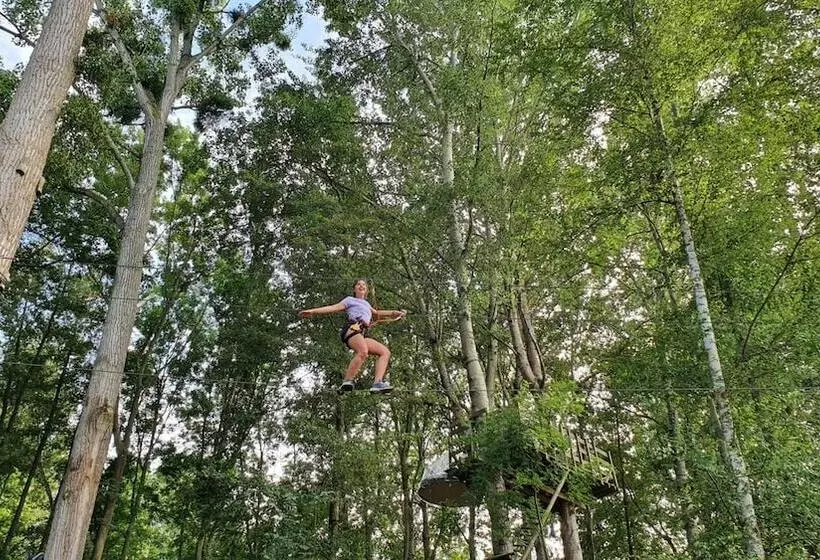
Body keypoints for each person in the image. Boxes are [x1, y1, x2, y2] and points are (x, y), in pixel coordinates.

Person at [299, 279, 406, 394]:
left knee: (385, 352)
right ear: (354, 289)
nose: (361, 286)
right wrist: (313, 311)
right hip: (352, 328)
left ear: (366, 290)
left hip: (363, 333)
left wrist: (395, 313)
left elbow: (377, 314)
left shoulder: (367, 304)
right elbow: (333, 307)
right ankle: (347, 381)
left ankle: (377, 383)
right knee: (363, 352)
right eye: (358, 284)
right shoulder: (349, 300)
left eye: (364, 285)